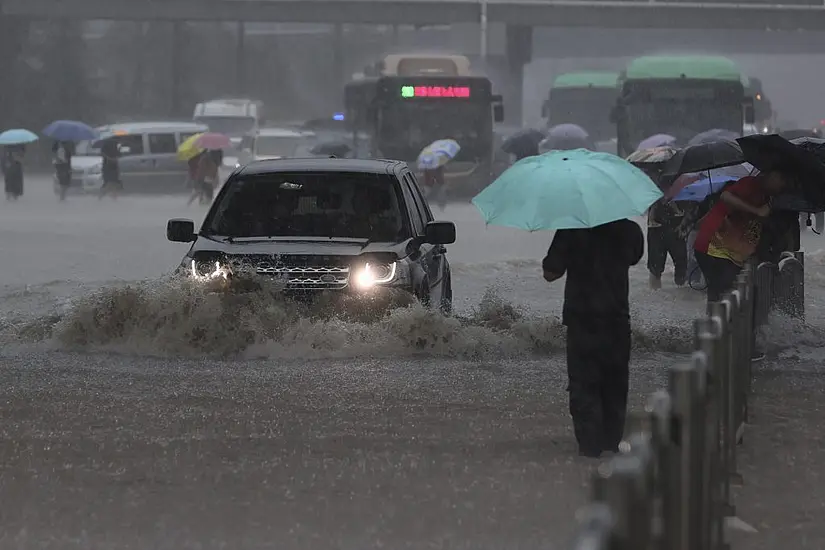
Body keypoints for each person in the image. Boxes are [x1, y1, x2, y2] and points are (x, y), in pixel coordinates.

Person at [542, 219, 644, 458]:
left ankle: (589, 446)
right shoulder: (629, 229)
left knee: (583, 383)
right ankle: (612, 442)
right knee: (616, 383)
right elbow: (634, 257)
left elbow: (550, 273)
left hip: (582, 319)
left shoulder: (570, 228)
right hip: (617, 318)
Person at [693, 170, 789, 304]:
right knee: (722, 290)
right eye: (782, 179)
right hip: (714, 245)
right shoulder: (750, 183)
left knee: (727, 290)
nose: (783, 185)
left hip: (732, 250)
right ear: (771, 175)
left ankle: (717, 319)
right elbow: (725, 196)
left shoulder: (770, 197)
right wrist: (756, 211)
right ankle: (715, 321)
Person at [647, 198, 687, 289]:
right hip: (658, 227)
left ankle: (680, 293)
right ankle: (655, 294)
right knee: (655, 267)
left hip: (675, 226)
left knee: (681, 265)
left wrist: (684, 225)